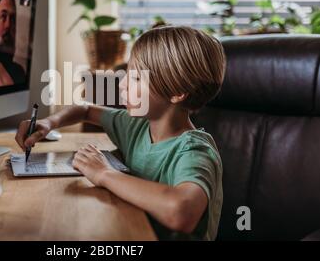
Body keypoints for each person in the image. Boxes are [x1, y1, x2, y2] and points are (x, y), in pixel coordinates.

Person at [16, 26, 226, 241]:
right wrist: (49, 122)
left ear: (177, 93)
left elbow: (182, 213)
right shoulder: (138, 127)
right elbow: (86, 109)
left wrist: (104, 174)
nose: (123, 83)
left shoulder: (193, 152)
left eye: (136, 78)